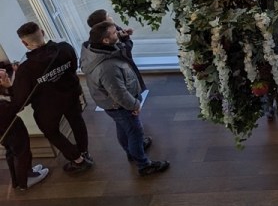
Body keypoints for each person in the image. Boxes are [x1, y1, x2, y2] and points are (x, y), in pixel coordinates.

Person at [81, 21, 169, 176]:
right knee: (135, 132)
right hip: (119, 105)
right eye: (114, 32)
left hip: (111, 105)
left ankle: (131, 152)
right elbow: (119, 93)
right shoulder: (108, 67)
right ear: (105, 40)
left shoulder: (94, 50)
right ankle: (144, 165)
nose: (118, 32)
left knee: (123, 128)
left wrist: (122, 38)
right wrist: (134, 105)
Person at [10, 22, 92, 174]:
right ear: (42, 32)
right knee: (77, 121)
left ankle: (77, 159)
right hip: (70, 94)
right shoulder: (65, 48)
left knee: (50, 131)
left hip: (47, 107)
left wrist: (10, 86)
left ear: (24, 43)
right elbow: (73, 67)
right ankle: (83, 151)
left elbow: (22, 98)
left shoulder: (26, 69)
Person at [0, 60, 49, 192]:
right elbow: (19, 105)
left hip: (5, 130)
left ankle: (19, 179)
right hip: (10, 128)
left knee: (12, 152)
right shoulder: (2, 107)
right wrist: (10, 87)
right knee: (21, 152)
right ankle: (25, 181)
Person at [86, 9, 145, 93]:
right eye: (108, 16)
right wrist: (125, 39)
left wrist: (123, 34)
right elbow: (125, 50)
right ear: (103, 23)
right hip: (120, 72)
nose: (111, 17)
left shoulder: (107, 31)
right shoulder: (102, 41)